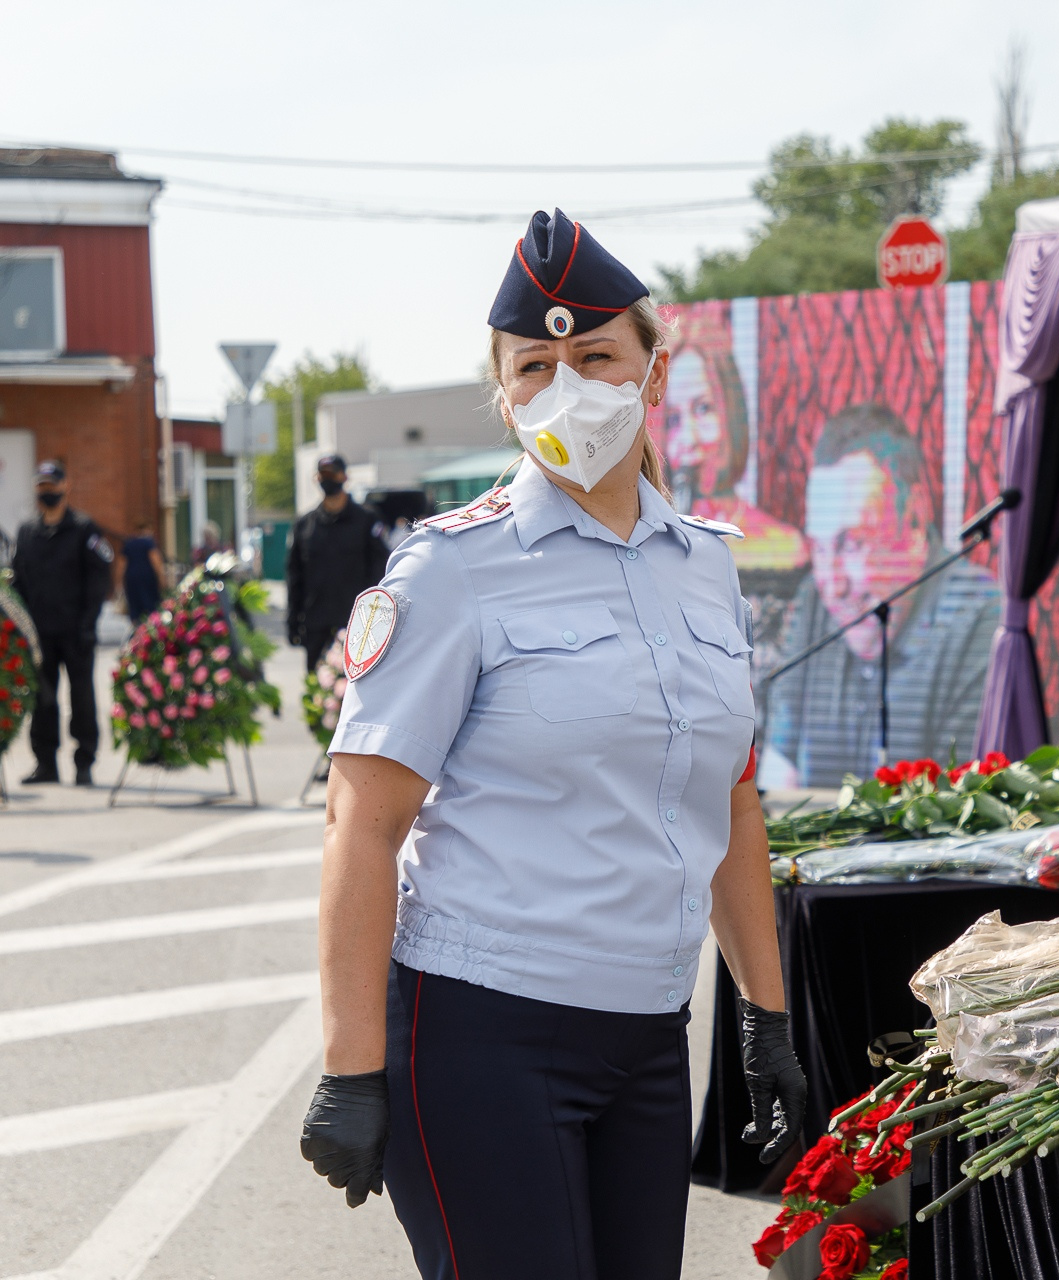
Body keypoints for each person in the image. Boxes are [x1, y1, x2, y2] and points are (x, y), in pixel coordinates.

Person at [298, 209, 804, 1280]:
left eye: (596, 356)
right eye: (535, 364)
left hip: (648, 1036)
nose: (567, 384)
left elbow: (732, 802)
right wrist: (351, 1064)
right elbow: (363, 820)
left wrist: (766, 1014)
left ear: (654, 375)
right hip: (484, 1031)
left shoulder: (705, 566)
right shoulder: (450, 571)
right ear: (504, 394)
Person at [759, 404, 998, 788]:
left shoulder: (979, 614)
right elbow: (778, 780)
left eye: (852, 544)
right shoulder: (814, 600)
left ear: (915, 516)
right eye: (819, 549)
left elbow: (961, 803)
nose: (833, 585)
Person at [659, 311, 806, 574]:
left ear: (732, 410)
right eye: (673, 420)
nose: (689, 439)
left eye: (704, 408)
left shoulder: (783, 545)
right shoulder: (654, 540)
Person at [10, 461, 113, 787]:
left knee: (82, 698)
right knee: (42, 701)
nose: (47, 492)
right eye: (42, 487)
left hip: (76, 632)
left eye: (52, 486)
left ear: (66, 486)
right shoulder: (27, 532)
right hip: (40, 634)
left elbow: (99, 580)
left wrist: (88, 622)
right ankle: (46, 765)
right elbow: (17, 584)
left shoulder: (85, 529)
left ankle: (84, 762)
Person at [286, 455, 391, 671]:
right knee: (316, 694)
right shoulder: (305, 525)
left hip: (358, 626)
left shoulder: (367, 520)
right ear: (317, 479)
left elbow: (382, 572)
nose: (328, 480)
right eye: (324, 475)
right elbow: (295, 577)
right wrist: (293, 621)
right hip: (317, 625)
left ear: (345, 477)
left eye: (333, 474)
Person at [120, 521, 166, 625]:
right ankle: (149, 632)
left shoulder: (128, 544)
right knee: (151, 607)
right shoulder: (149, 543)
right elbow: (155, 561)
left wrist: (119, 583)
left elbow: (121, 565)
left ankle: (137, 631)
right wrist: (162, 580)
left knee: (135, 607)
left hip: (131, 579)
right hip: (147, 579)